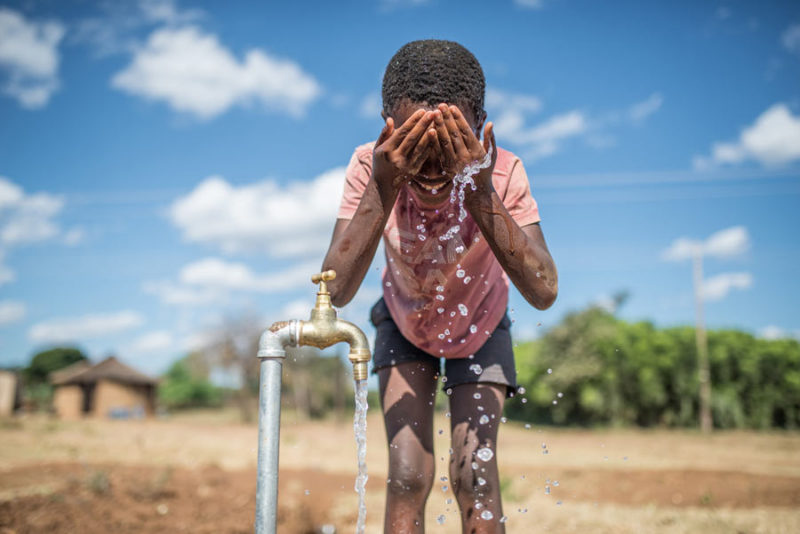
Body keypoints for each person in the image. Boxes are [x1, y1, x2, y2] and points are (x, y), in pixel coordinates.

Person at [322, 40, 557, 533]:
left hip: (482, 321)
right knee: (407, 475)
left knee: (473, 474)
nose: (431, 168)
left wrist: (479, 191)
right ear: (387, 125)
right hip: (403, 321)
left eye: (449, 145)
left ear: (480, 127)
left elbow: (544, 288)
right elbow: (337, 289)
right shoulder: (372, 167)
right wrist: (386, 184)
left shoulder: (502, 172)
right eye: (414, 144)